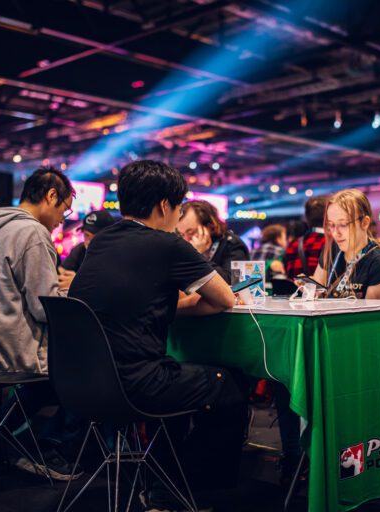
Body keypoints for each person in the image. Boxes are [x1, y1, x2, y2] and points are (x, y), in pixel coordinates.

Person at [69, 160, 247, 511]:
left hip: (81, 382)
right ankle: (177, 488)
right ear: (165, 205)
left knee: (177, 374)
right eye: (179, 208)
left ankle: (161, 482)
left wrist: (168, 305)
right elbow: (225, 299)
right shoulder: (167, 244)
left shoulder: (101, 241)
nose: (178, 219)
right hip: (135, 384)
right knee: (230, 385)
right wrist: (183, 304)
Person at [0, 166, 78, 480]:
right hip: (7, 349)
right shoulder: (33, 233)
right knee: (78, 373)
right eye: (64, 209)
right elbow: (42, 308)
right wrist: (76, 294)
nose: (62, 220)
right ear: (51, 196)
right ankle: (48, 451)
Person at [312, 189, 380, 299]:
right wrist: (311, 290)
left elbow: (369, 310)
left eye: (343, 224)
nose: (335, 233)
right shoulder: (332, 249)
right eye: (331, 225)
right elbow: (318, 290)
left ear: (365, 223)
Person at [177, 200, 249, 283]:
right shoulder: (183, 248)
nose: (186, 239)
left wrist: (198, 257)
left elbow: (231, 282)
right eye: (182, 234)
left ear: (209, 227)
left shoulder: (233, 245)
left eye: (191, 232)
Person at [283, 196, 328, 279]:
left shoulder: (293, 244)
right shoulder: (332, 243)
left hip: (296, 287)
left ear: (307, 218)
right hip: (323, 287)